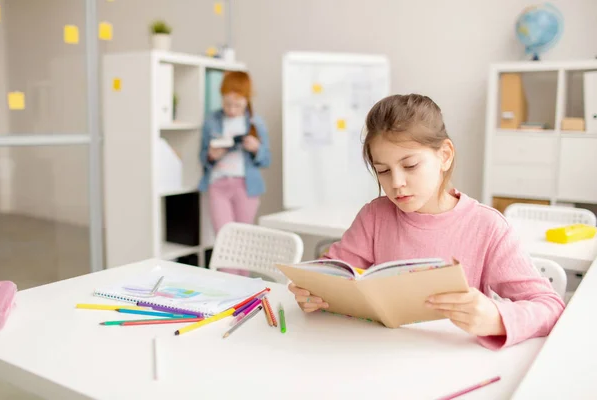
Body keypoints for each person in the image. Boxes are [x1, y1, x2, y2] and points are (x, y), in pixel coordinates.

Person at [288, 94, 564, 350]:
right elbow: (332, 274)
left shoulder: (487, 226)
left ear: (444, 155)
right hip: (378, 355)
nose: (396, 184)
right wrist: (312, 293)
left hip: (450, 361)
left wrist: (496, 318)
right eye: (383, 171)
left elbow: (550, 306)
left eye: (410, 166)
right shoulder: (374, 216)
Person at [198, 71, 271, 234]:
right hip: (218, 183)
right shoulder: (212, 121)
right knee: (223, 237)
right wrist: (211, 156)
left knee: (244, 237)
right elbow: (202, 157)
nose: (231, 110)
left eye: (237, 105)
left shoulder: (256, 123)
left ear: (247, 100)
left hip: (246, 186)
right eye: (227, 104)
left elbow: (266, 159)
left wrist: (256, 149)